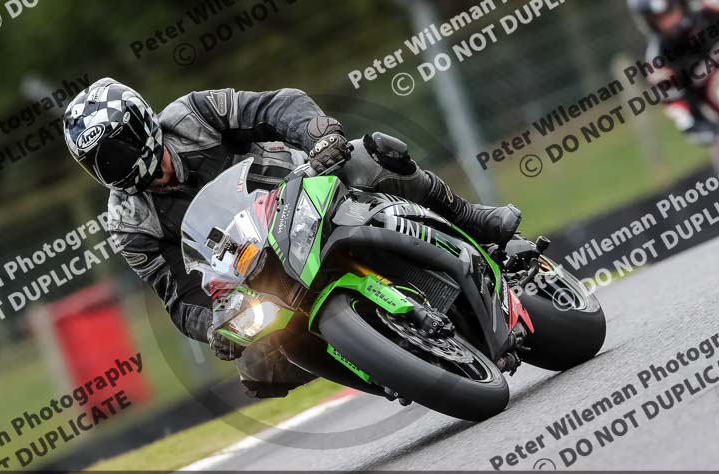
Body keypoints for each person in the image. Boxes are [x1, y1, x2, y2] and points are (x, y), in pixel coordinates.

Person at [62, 78, 521, 398]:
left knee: (370, 154)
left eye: (114, 151)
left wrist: (320, 137)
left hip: (306, 194)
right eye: (96, 163)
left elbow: (276, 106)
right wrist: (215, 328)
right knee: (258, 367)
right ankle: (385, 370)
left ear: (141, 126)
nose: (110, 168)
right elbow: (180, 297)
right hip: (255, 275)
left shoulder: (193, 115)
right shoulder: (128, 223)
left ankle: (471, 218)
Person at [628, 0, 719, 142]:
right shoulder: (658, 65)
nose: (670, 21)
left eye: (671, 11)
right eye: (659, 18)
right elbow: (690, 123)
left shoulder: (711, 11)